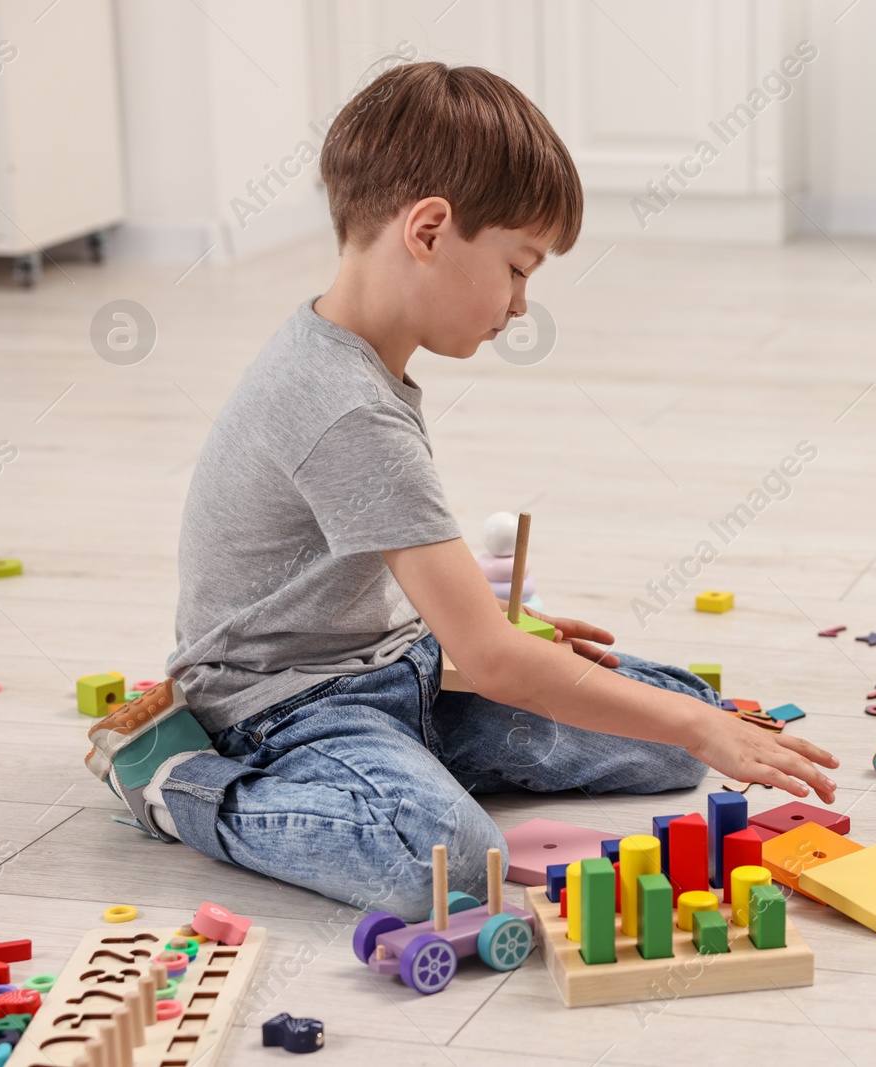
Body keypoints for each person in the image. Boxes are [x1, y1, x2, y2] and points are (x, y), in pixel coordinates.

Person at [83, 61, 837, 919]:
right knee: (449, 863)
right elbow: (484, 658)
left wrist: (507, 633)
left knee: (680, 724)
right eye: (518, 268)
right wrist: (505, 653)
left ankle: (417, 756)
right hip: (281, 705)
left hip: (397, 664)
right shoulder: (343, 408)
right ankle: (177, 782)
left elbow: (392, 576)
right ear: (431, 230)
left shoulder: (359, 357)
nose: (520, 305)